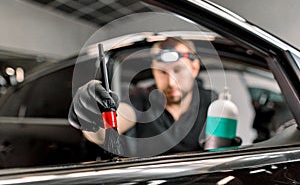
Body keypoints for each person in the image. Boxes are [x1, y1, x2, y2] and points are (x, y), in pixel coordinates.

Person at [68, 37, 238, 157]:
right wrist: (91, 115)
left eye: (178, 70)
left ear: (194, 68)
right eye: (162, 72)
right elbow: (105, 131)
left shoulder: (212, 103)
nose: (171, 82)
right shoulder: (141, 99)